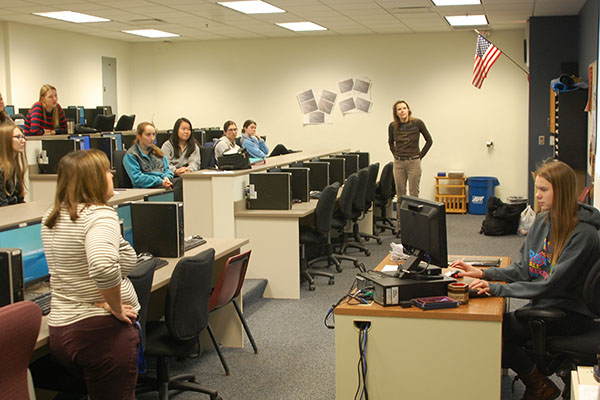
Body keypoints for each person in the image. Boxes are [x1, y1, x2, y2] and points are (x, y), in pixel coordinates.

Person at [450, 160, 600, 400]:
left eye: (544, 190)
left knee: (490, 333)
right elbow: (524, 269)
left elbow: (551, 284)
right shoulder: (542, 221)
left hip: (568, 313)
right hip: (544, 304)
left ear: (561, 191)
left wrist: (496, 289)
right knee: (490, 329)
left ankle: (538, 385)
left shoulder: (585, 234)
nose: (537, 195)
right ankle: (538, 380)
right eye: (537, 188)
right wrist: (485, 274)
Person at [41, 149, 140, 400]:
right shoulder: (99, 215)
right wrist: (117, 307)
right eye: (108, 171)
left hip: (63, 329)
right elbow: (103, 267)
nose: (112, 175)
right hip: (100, 334)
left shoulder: (52, 217)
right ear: (94, 178)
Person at [123, 121, 182, 200]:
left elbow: (167, 169)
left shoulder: (157, 152)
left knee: (183, 182)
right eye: (148, 135)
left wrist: (166, 177)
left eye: (154, 134)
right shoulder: (131, 155)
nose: (152, 138)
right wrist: (160, 181)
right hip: (146, 188)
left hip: (163, 183)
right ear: (139, 136)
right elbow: (137, 178)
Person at [388, 100, 433, 200]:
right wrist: (395, 154)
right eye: (399, 109)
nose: (402, 111)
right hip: (399, 163)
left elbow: (429, 141)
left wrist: (420, 156)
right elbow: (390, 142)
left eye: (404, 108)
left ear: (408, 110)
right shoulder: (392, 126)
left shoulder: (417, 123)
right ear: (396, 113)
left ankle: (413, 215)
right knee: (400, 194)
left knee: (414, 193)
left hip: (413, 162)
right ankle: (400, 216)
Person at [0, 124, 27, 206]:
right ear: (6, 140)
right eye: (18, 137)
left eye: (23, 137)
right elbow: (2, 205)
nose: (23, 141)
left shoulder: (15, 167)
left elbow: (19, 200)